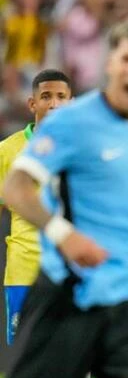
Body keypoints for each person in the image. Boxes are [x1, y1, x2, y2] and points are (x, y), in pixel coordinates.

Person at [0, 15, 128, 378]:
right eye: (127, 58)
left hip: (126, 299)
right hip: (70, 295)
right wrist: (64, 235)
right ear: (110, 64)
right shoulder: (70, 123)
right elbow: (16, 188)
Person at [1, 69, 72, 346]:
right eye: (46, 96)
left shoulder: (83, 149)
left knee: (75, 351)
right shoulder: (8, 151)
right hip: (24, 270)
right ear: (32, 104)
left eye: (61, 97)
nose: (54, 103)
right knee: (25, 351)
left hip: (71, 270)